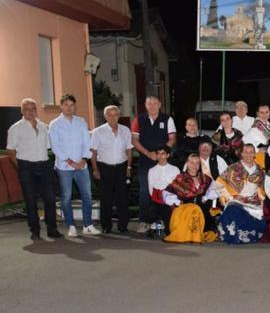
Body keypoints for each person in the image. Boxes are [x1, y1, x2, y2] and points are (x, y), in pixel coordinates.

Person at [6, 97, 60, 240]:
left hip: (44, 165)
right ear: (22, 111)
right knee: (30, 200)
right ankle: (34, 230)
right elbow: (11, 151)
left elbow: (50, 145)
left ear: (36, 110)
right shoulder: (15, 128)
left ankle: (52, 229)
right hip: (26, 167)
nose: (30, 111)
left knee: (50, 198)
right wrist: (21, 166)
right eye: (27, 109)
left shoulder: (44, 126)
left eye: (33, 108)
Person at [49, 94, 100, 238]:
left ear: (74, 106)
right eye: (66, 105)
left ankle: (88, 225)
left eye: (72, 105)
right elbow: (56, 147)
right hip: (64, 167)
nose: (69, 108)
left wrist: (83, 159)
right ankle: (71, 226)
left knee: (87, 196)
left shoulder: (81, 122)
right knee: (66, 197)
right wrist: (72, 162)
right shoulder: (55, 124)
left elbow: (86, 142)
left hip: (82, 166)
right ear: (61, 106)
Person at [132, 95, 177, 234]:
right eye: (149, 104)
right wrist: (148, 153)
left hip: (163, 161)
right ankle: (143, 221)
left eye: (155, 103)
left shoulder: (167, 119)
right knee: (145, 191)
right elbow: (134, 140)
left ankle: (165, 220)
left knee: (165, 190)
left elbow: (172, 139)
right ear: (146, 106)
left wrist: (161, 154)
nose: (152, 106)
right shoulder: (138, 120)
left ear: (160, 105)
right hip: (145, 161)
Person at [90, 105, 133, 234]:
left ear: (119, 116)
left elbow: (129, 149)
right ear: (105, 116)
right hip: (104, 168)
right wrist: (95, 169)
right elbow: (93, 152)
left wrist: (129, 166)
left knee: (122, 199)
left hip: (121, 167)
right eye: (110, 114)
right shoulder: (97, 131)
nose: (113, 117)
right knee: (106, 199)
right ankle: (106, 226)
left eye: (115, 114)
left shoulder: (125, 130)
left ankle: (123, 226)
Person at [162, 153, 219, 244]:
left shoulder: (205, 178)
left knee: (198, 209)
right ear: (187, 163)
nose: (195, 165)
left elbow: (215, 191)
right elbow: (166, 193)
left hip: (201, 209)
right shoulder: (180, 178)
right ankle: (188, 234)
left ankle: (196, 234)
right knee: (193, 209)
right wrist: (177, 202)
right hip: (184, 209)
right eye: (192, 162)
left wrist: (205, 197)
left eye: (197, 163)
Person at [215, 144, 266, 244]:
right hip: (235, 200)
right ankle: (235, 235)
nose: (248, 155)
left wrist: (261, 201)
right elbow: (218, 184)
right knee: (233, 210)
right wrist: (230, 197)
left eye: (251, 152)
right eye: (245, 152)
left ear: (255, 154)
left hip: (253, 203)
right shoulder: (232, 168)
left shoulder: (259, 171)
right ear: (241, 154)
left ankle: (247, 234)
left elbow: (261, 190)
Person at [146, 146, 180, 237]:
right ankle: (154, 224)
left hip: (170, 198)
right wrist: (156, 198)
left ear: (168, 155)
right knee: (152, 206)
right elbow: (150, 188)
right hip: (156, 197)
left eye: (163, 154)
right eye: (158, 154)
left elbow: (178, 187)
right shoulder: (152, 170)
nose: (160, 156)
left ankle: (167, 226)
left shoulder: (175, 169)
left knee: (166, 209)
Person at [243, 105, 270, 169]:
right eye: (262, 112)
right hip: (259, 156)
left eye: (266, 112)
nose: (264, 115)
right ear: (257, 114)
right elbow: (244, 139)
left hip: (266, 155)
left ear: (269, 113)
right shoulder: (257, 126)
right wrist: (256, 150)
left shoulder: (267, 124)